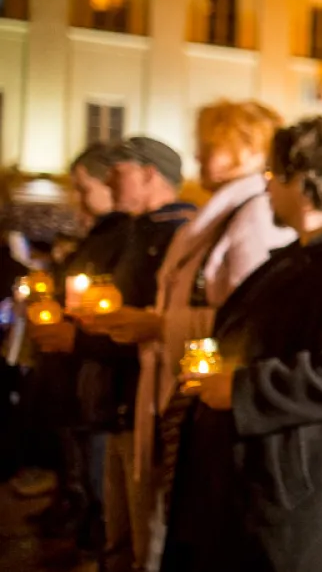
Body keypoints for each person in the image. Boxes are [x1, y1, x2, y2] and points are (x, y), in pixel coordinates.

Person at [162, 117, 322, 572]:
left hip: (300, 504)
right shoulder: (291, 261)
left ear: (307, 177)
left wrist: (238, 388)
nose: (268, 189)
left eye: (273, 176)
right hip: (252, 491)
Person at [91, 101, 294, 555]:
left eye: (211, 144)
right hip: (176, 389)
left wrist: (160, 325)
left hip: (207, 398)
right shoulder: (222, 212)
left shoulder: (256, 215)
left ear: (245, 149)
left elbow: (247, 315)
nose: (198, 154)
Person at [73, 137, 195, 572]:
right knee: (119, 535)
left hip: (148, 402)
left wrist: (89, 336)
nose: (108, 179)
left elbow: (171, 323)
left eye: (117, 170)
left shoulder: (181, 232)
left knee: (147, 539)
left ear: (149, 174)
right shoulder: (134, 230)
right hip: (118, 401)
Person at [27, 143, 131, 559]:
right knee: (80, 459)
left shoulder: (124, 236)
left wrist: (79, 334)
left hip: (103, 373)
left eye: (84, 187)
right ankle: (83, 524)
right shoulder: (101, 235)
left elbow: (114, 308)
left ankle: (93, 538)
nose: (78, 198)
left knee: (100, 472)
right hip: (78, 370)